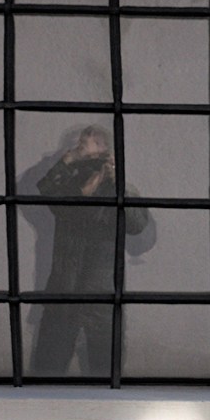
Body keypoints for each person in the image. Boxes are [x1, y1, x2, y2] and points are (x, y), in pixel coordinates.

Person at [22, 124, 154, 377]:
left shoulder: (118, 187)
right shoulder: (70, 183)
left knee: (104, 372)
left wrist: (119, 184)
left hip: (100, 297)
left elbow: (137, 226)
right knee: (47, 370)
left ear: (106, 150)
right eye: (80, 141)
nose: (82, 143)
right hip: (63, 292)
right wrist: (69, 160)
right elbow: (44, 193)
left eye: (91, 141)